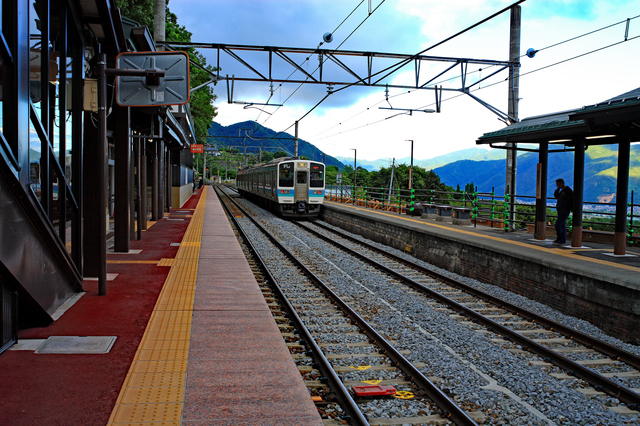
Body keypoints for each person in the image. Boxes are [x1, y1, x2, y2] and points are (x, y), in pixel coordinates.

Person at [553, 178, 573, 244]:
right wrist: (558, 190)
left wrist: (565, 196)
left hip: (565, 210)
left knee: (558, 225)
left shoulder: (567, 190)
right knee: (562, 225)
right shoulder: (561, 191)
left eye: (557, 184)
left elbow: (570, 199)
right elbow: (556, 196)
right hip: (560, 210)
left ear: (561, 184)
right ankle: (562, 239)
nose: (557, 186)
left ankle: (560, 238)